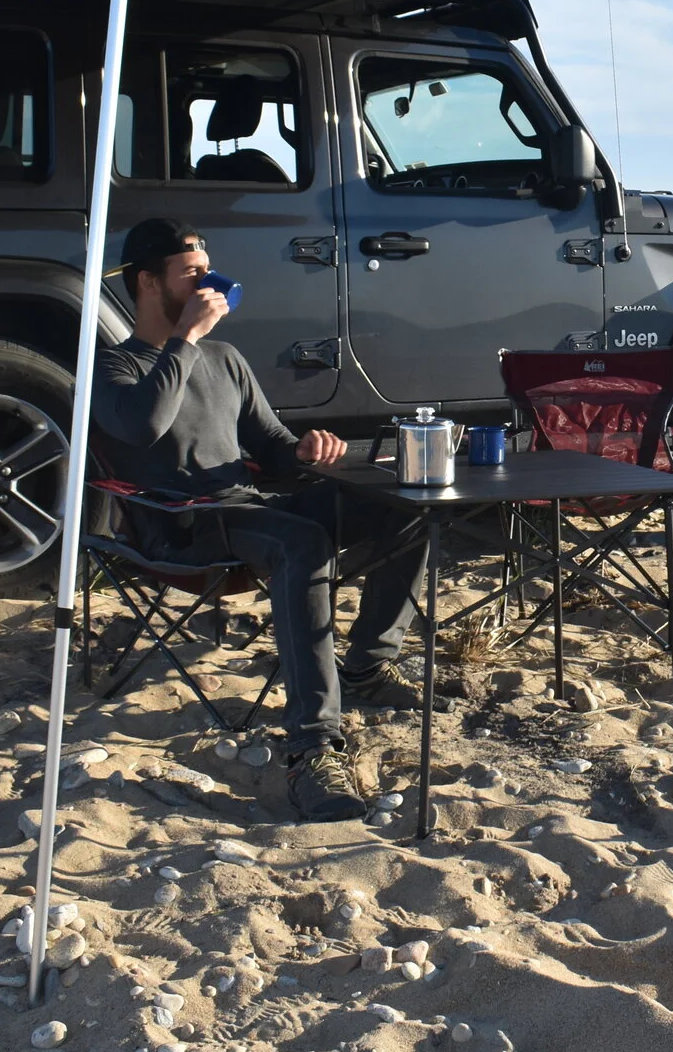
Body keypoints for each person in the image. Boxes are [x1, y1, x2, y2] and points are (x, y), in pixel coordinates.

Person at [91, 216, 425, 822]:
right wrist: (185, 341)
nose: (210, 286)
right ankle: (311, 749)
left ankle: (368, 668)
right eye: (192, 275)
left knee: (403, 509)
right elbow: (145, 425)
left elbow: (269, 443)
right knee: (303, 541)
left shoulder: (225, 358)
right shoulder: (115, 369)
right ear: (146, 282)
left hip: (250, 509)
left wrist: (301, 449)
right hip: (185, 525)